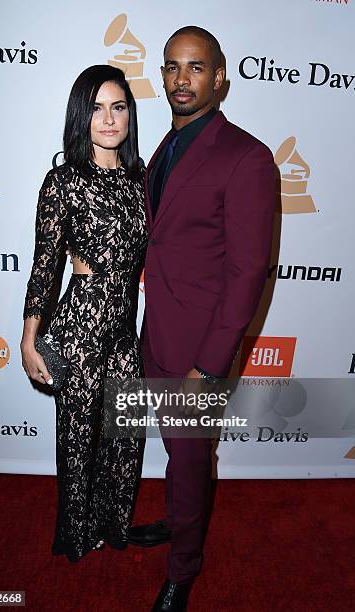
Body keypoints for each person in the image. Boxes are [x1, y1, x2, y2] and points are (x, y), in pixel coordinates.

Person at [128, 26, 276, 611]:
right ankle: (177, 522)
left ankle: (183, 570)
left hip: (197, 353)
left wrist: (206, 366)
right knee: (177, 453)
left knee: (191, 460)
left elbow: (246, 275)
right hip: (156, 332)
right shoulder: (166, 147)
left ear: (219, 78)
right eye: (171, 67)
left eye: (195, 68)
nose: (181, 79)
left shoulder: (248, 156)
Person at [20, 65, 147, 562]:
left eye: (118, 107)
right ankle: (77, 534)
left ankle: (113, 525)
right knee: (77, 442)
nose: (109, 119)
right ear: (81, 115)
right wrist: (30, 339)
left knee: (124, 436)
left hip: (123, 331)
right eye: (96, 108)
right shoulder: (62, 182)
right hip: (79, 328)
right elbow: (45, 266)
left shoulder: (140, 178)